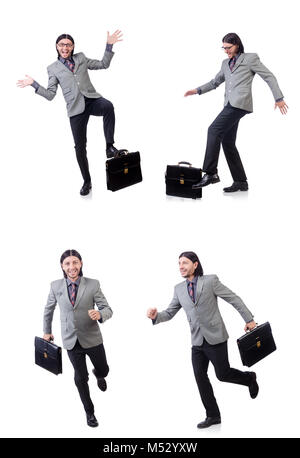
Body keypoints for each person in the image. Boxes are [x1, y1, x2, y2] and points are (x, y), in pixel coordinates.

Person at [147, 251, 259, 429]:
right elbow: (169, 312)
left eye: (184, 263)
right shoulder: (179, 289)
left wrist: (249, 319)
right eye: (179, 264)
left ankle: (249, 378)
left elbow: (233, 299)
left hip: (216, 337)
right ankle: (213, 415)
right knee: (200, 377)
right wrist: (155, 316)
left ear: (195, 264)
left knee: (222, 374)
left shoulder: (210, 281)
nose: (181, 267)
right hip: (197, 341)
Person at [17, 31, 123, 196]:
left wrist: (109, 45)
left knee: (108, 106)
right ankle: (87, 181)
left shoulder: (81, 58)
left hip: (91, 99)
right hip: (75, 109)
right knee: (80, 148)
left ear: (73, 47)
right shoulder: (53, 68)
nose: (65, 47)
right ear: (57, 47)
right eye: (61, 45)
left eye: (68, 45)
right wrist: (34, 84)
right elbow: (50, 95)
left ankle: (109, 146)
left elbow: (103, 64)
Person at [184, 33, 288, 192]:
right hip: (229, 104)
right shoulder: (225, 63)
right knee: (227, 142)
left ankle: (210, 173)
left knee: (213, 130)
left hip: (240, 104)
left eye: (229, 47)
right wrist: (197, 90)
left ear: (237, 45)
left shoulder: (250, 58)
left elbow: (269, 76)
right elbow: (215, 82)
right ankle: (240, 182)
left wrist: (278, 97)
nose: (226, 51)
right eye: (224, 48)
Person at [43, 249, 113, 427]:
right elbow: (48, 310)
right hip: (71, 340)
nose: (71, 266)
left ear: (81, 264)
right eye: (67, 263)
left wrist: (99, 313)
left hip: (92, 338)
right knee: (80, 378)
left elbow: (107, 308)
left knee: (104, 369)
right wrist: (46, 331)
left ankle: (99, 375)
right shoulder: (55, 286)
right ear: (62, 266)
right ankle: (89, 413)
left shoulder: (93, 284)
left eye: (75, 262)